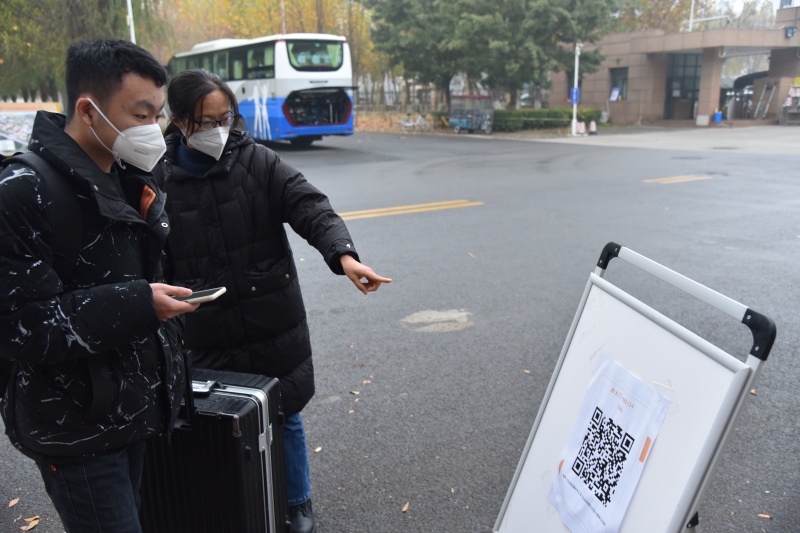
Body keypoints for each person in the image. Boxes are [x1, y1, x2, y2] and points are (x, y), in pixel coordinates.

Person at [154, 68, 392, 533]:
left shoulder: (257, 160)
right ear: (179, 122)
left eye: (226, 118)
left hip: (271, 317)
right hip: (206, 326)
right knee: (220, 421)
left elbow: (309, 206)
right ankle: (237, 504)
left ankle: (297, 501)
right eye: (207, 122)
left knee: (285, 414)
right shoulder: (159, 178)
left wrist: (344, 255)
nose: (219, 130)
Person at [0, 39, 198, 532]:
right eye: (141, 115)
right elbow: (23, 325)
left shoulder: (129, 177)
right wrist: (140, 303)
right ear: (88, 111)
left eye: (158, 115)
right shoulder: (23, 191)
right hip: (76, 430)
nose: (153, 129)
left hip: (135, 413)